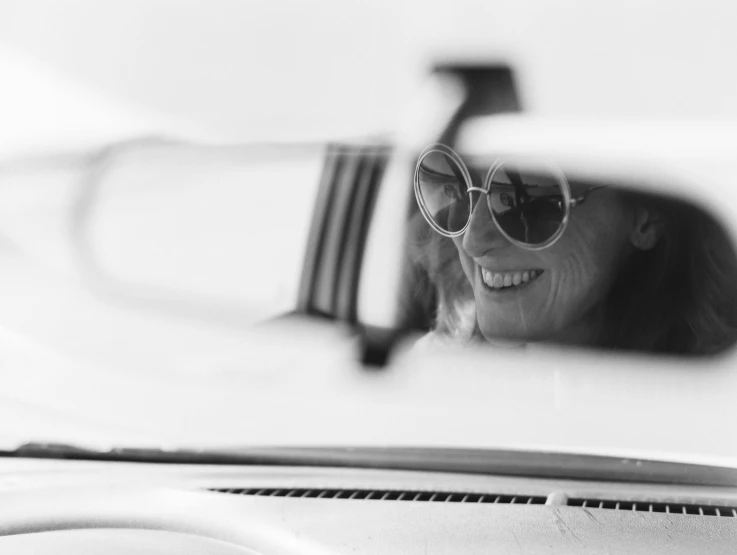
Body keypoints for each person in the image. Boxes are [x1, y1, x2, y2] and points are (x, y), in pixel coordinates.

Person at [408, 143, 737, 355]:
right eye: (460, 192)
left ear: (646, 219)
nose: (472, 240)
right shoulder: (428, 381)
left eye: (526, 202)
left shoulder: (709, 401)